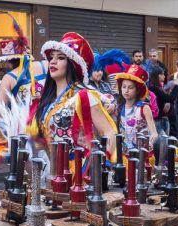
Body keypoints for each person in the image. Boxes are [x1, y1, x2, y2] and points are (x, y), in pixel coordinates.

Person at [35, 32, 117, 163]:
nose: (53, 61)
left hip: (77, 174)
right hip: (53, 171)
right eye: (51, 57)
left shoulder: (84, 95)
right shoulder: (48, 99)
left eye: (61, 58)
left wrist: (98, 166)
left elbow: (109, 132)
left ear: (73, 64)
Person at [0, 16, 47, 116]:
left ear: (9, 61)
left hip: (23, 127)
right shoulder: (45, 65)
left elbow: (0, 113)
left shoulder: (8, 78)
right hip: (48, 121)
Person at [115, 64, 158, 150]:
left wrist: (152, 138)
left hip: (142, 153)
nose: (126, 90)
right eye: (124, 87)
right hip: (125, 153)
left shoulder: (144, 108)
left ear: (137, 90)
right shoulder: (119, 108)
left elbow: (154, 133)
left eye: (130, 88)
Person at [148, 67, 178, 135]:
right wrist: (177, 86)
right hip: (157, 120)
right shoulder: (153, 88)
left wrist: (168, 102)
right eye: (162, 74)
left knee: (165, 142)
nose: (164, 76)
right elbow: (170, 98)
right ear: (157, 75)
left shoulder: (159, 87)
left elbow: (166, 99)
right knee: (162, 143)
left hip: (164, 119)